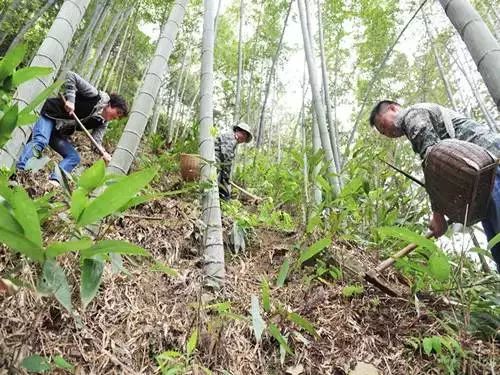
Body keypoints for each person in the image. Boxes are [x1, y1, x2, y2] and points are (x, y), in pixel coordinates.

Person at [370, 100, 500, 270]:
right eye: (383, 132)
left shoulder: (413, 114)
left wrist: (438, 214)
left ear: (393, 108)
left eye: (383, 125)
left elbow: (432, 159)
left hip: (491, 168)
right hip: (482, 183)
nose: (387, 133)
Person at [16, 71, 128, 183]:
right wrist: (71, 100)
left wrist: (103, 153)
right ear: (110, 104)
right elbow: (70, 75)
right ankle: (19, 171)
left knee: (74, 157)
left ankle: (54, 181)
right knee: (41, 140)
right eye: (117, 112)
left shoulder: (102, 123)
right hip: (51, 115)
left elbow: (96, 142)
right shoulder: (94, 96)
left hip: (58, 131)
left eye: (119, 117)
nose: (116, 117)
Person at [214, 123, 253, 200]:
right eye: (244, 135)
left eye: (245, 138)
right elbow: (226, 157)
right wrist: (226, 175)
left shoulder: (233, 141)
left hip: (219, 165)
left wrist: (226, 176)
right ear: (237, 131)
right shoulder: (230, 137)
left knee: (224, 190)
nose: (243, 140)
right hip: (214, 161)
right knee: (216, 184)